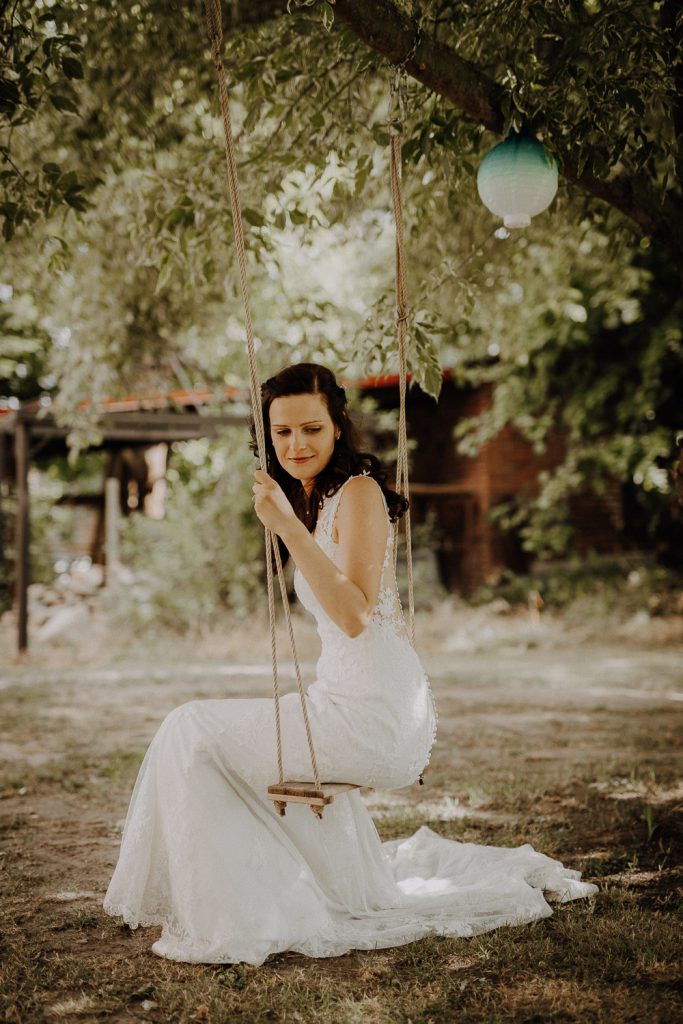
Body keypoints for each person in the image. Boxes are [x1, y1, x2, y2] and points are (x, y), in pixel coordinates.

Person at [103, 362, 596, 964]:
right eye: (281, 434)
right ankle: (274, 899)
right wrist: (291, 519)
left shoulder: (357, 493)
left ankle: (241, 918)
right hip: (336, 701)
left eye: (311, 428)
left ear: (339, 426)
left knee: (190, 728)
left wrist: (286, 527)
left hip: (375, 716)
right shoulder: (311, 500)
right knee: (205, 738)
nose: (296, 445)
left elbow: (355, 615)